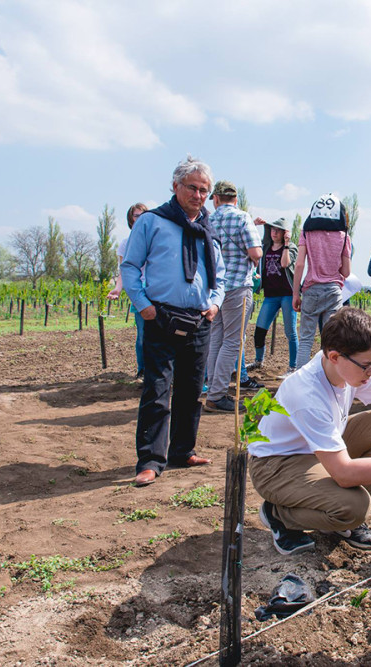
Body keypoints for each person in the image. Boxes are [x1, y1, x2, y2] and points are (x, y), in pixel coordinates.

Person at [250, 307, 371, 555]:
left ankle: (344, 521)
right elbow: (343, 473)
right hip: (277, 465)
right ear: (334, 356)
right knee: (354, 507)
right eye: (367, 366)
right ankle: (279, 515)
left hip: (317, 452)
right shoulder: (307, 393)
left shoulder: (352, 367)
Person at [121, 157, 224, 487]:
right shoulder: (152, 222)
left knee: (192, 390)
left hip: (199, 320)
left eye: (204, 190)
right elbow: (130, 266)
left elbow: (219, 276)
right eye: (192, 188)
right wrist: (143, 306)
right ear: (176, 186)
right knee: (157, 390)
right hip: (160, 318)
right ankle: (150, 459)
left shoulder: (208, 228)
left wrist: (215, 305)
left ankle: (183, 450)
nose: (198, 195)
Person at [203, 180, 264, 413]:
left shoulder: (208, 219)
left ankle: (212, 391)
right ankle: (217, 395)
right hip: (238, 286)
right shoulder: (242, 217)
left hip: (215, 290)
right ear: (235, 199)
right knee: (232, 341)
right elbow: (255, 251)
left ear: (216, 199)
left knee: (216, 339)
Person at [293, 193, 353, 368]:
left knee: (305, 340)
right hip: (333, 291)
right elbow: (346, 272)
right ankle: (326, 384)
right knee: (330, 343)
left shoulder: (307, 232)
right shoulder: (344, 236)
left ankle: (299, 382)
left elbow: (299, 265)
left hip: (311, 290)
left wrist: (295, 293)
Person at [250, 217, 298, 377]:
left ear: (285, 233)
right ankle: (258, 361)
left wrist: (285, 244)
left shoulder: (291, 248)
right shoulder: (266, 248)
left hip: (287, 294)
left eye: (278, 230)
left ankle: (292, 368)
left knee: (290, 332)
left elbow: (285, 264)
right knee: (260, 329)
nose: (274, 232)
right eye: (272, 229)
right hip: (270, 295)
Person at [109, 202, 148, 377]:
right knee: (142, 335)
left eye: (143, 215)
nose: (139, 219)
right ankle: (143, 370)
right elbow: (123, 271)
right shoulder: (126, 244)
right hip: (139, 291)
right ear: (130, 220)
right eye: (136, 216)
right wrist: (117, 289)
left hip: (158, 290)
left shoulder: (154, 240)